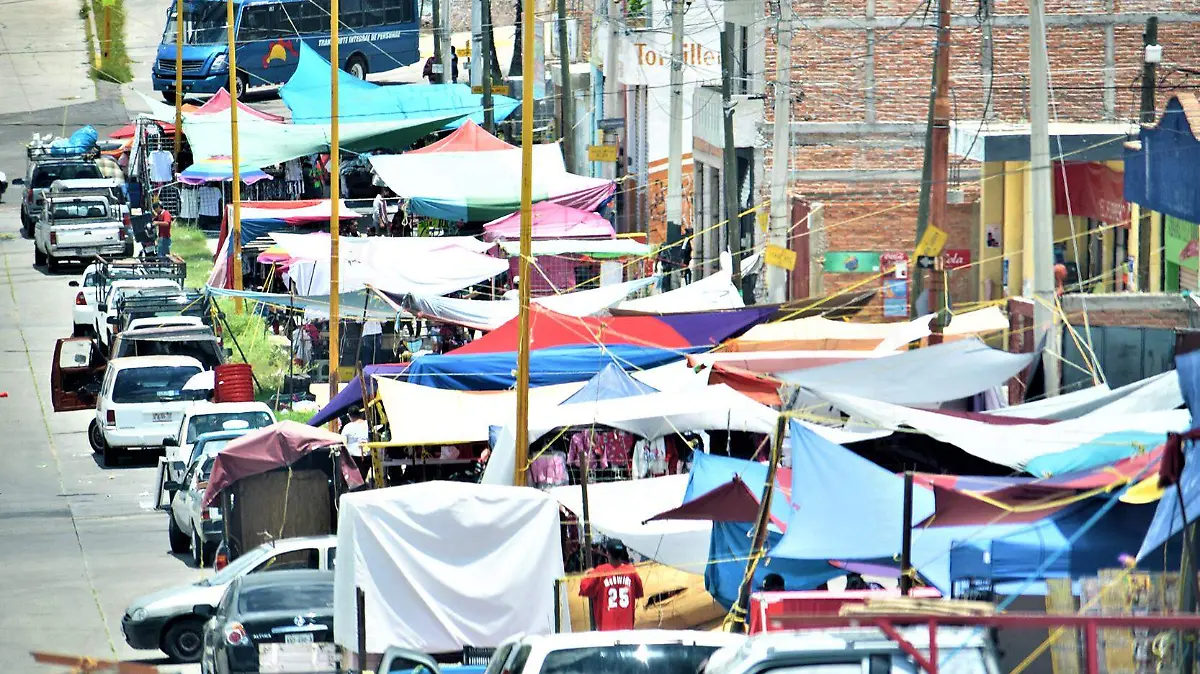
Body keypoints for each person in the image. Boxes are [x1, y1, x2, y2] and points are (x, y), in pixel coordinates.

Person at [578, 539, 644, 631]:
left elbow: (584, 589)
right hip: (627, 630)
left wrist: (586, 575)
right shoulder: (631, 571)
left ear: (607, 553)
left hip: (606, 631)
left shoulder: (600, 571)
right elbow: (639, 592)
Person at [341, 408, 371, 480]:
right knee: (363, 476)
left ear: (349, 416)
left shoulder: (347, 427)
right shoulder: (368, 424)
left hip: (354, 456)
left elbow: (343, 442)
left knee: (357, 479)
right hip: (368, 455)